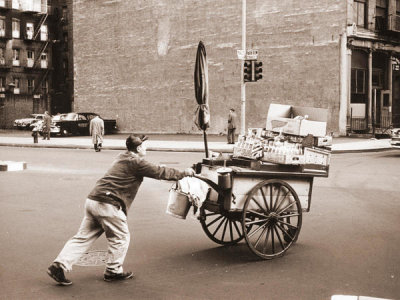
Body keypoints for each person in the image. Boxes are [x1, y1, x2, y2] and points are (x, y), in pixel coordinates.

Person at [47, 134, 195, 285]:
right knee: (121, 238)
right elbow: (160, 172)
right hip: (108, 204)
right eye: (145, 146)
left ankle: (58, 265)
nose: (146, 148)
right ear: (138, 148)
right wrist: (185, 173)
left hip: (93, 200)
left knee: (82, 237)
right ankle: (113, 271)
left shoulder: (121, 156)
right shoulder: (136, 162)